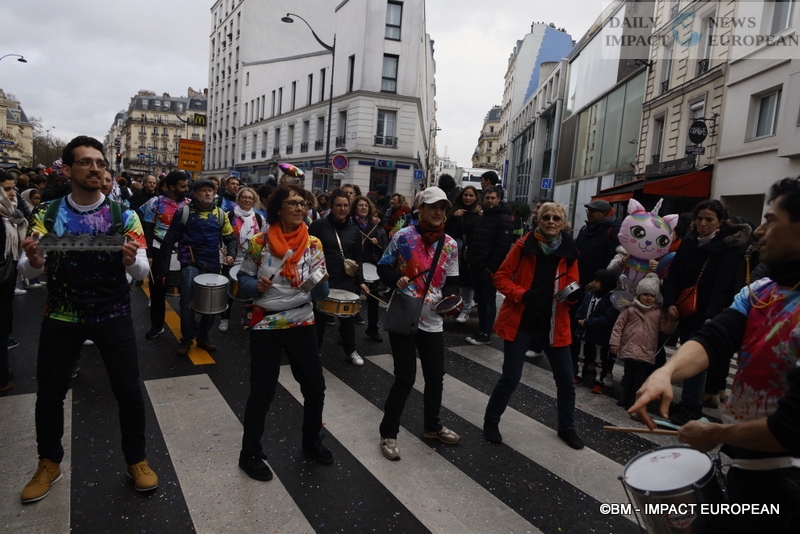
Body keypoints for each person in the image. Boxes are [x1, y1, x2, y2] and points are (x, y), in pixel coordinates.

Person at [630, 177, 800, 533]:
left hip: (788, 481)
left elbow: (791, 429)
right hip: (745, 469)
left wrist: (718, 433)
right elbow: (715, 338)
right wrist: (665, 373)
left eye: (771, 221)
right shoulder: (762, 291)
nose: (759, 231)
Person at [17, 136, 157, 502]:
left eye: (100, 163)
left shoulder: (123, 215)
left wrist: (131, 262)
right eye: (86, 162)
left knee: (128, 391)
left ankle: (136, 459)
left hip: (113, 315)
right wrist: (34, 262)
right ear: (67, 169)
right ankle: (49, 462)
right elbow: (28, 269)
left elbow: (143, 271)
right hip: (61, 315)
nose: (95, 168)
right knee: (50, 394)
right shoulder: (47, 214)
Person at [237, 184, 333, 481]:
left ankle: (312, 441)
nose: (299, 208)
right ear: (278, 209)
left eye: (303, 203)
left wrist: (322, 284)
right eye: (293, 203)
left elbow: (321, 293)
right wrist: (256, 285)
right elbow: (242, 278)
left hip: (302, 321)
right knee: (262, 392)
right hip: (266, 323)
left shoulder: (313, 244)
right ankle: (249, 454)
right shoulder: (259, 242)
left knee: (315, 387)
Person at [484, 201, 584, 449]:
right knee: (510, 377)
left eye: (556, 218)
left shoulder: (569, 250)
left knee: (566, 380)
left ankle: (567, 427)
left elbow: (573, 284)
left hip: (554, 323)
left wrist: (574, 296)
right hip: (522, 321)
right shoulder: (524, 245)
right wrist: (523, 294)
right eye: (546, 217)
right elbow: (500, 277)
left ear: (563, 223)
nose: (551, 222)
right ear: (538, 220)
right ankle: (491, 422)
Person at [377, 187, 461, 460]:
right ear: (421, 209)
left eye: (442, 208)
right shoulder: (403, 237)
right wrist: (396, 279)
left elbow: (453, 281)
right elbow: (383, 267)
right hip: (405, 312)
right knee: (405, 378)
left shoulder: (450, 244)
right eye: (433, 206)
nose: (438, 212)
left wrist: (451, 300)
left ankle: (432, 427)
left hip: (433, 318)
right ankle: (388, 433)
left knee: (435, 377)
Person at [661, 199, 751, 425]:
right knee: (682, 353)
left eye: (709, 220)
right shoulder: (690, 240)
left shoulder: (727, 248)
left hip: (706, 313)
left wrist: (712, 316)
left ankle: (691, 406)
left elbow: (723, 286)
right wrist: (670, 302)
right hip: (684, 308)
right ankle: (684, 400)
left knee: (694, 359)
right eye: (699, 219)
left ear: (720, 222)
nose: (702, 224)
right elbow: (674, 274)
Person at [157, 178, 237, 356]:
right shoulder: (183, 213)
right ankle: (186, 340)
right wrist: (162, 268)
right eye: (203, 190)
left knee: (211, 305)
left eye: (210, 190)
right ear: (194, 193)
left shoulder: (221, 214)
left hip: (213, 264)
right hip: (190, 263)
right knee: (187, 303)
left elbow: (230, 238)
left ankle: (203, 337)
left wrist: (231, 254)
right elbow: (169, 240)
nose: (208, 193)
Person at [309, 188, 368, 366]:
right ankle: (314, 352)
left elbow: (357, 258)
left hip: (345, 279)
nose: (342, 209)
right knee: (318, 317)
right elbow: (308, 251)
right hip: (321, 278)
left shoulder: (354, 230)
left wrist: (361, 281)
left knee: (347, 318)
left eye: (345, 206)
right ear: (331, 207)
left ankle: (350, 350)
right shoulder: (318, 225)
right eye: (338, 205)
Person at [610, 273, 677, 409]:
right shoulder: (629, 310)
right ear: (639, 294)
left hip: (646, 351)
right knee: (628, 376)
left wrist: (672, 320)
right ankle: (626, 396)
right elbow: (618, 327)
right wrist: (615, 343)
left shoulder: (657, 313)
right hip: (629, 348)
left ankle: (633, 399)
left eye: (652, 295)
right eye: (645, 294)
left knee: (639, 379)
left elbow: (666, 329)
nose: (649, 298)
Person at [139, 171, 190, 339]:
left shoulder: (189, 204)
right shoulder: (155, 202)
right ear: (171, 187)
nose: (186, 189)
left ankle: (189, 326)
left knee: (187, 290)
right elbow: (147, 228)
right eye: (183, 186)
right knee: (157, 290)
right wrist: (148, 252)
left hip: (183, 252)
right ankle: (157, 325)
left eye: (187, 186)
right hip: (159, 251)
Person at [465, 185, 513, 346]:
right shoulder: (482, 216)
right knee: (480, 300)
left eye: (493, 198)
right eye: (487, 198)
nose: (490, 201)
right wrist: (471, 260)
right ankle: (481, 330)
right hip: (476, 265)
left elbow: (502, 247)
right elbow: (474, 239)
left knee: (489, 300)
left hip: (489, 268)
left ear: (499, 199)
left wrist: (490, 267)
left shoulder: (504, 219)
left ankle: (486, 333)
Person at [219, 186, 266, 332]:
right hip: (232, 256)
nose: (247, 200)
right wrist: (225, 256)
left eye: (250, 198)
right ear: (238, 199)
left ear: (254, 200)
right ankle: (224, 318)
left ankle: (248, 319)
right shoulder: (229, 215)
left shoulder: (259, 218)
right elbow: (222, 237)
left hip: (251, 258)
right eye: (244, 197)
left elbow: (263, 239)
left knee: (250, 290)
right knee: (229, 289)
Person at [0, 170, 27, 392]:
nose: (11, 194)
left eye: (13, 188)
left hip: (6, 279)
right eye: (6, 189)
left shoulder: (11, 215)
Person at [573, 268, 620, 392]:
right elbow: (581, 308)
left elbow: (607, 318)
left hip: (599, 335)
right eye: (594, 280)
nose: (593, 283)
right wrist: (578, 318)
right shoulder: (589, 294)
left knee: (599, 359)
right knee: (581, 356)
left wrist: (588, 323)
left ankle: (598, 380)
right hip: (584, 332)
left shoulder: (611, 299)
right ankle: (579, 375)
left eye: (597, 281)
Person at [352, 195, 388, 342]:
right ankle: (346, 333)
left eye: (366, 205)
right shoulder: (350, 224)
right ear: (355, 208)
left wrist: (376, 243)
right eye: (360, 205)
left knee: (373, 300)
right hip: (353, 266)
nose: (364, 208)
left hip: (370, 266)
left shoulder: (375, 227)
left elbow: (384, 249)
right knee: (351, 298)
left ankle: (373, 329)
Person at [445, 185, 481, 323]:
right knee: (453, 278)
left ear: (476, 197)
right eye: (466, 195)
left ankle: (466, 309)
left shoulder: (478, 213)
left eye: (471, 195)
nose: (468, 198)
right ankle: (453, 306)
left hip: (469, 251)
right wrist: (453, 217)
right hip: (453, 251)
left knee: (467, 281)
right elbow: (446, 228)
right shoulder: (453, 210)